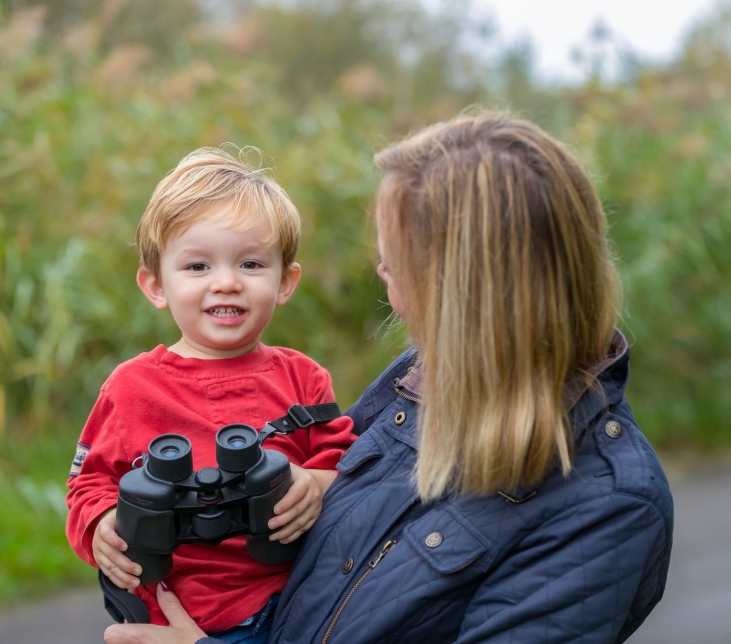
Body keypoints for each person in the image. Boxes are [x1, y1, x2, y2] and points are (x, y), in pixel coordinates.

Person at [103, 113, 673, 644]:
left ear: (466, 296)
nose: (388, 292)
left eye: (395, 269)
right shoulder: (420, 380)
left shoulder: (607, 507)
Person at [65, 147, 356, 642]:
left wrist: (317, 483)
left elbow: (351, 465)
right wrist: (101, 527)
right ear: (156, 285)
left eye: (250, 264)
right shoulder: (131, 388)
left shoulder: (303, 379)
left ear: (285, 282)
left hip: (299, 605)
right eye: (198, 267)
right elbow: (86, 486)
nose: (226, 283)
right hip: (179, 617)